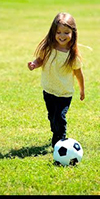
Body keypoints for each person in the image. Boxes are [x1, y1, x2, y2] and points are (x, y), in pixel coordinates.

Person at [27, 12, 85, 148]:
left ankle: (59, 143)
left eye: (66, 32)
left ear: (73, 33)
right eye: (59, 32)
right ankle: (56, 132)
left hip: (64, 93)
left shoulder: (73, 55)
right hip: (49, 90)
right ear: (53, 32)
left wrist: (82, 89)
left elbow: (78, 73)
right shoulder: (48, 49)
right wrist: (34, 64)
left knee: (60, 117)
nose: (62, 36)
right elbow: (41, 59)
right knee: (52, 117)